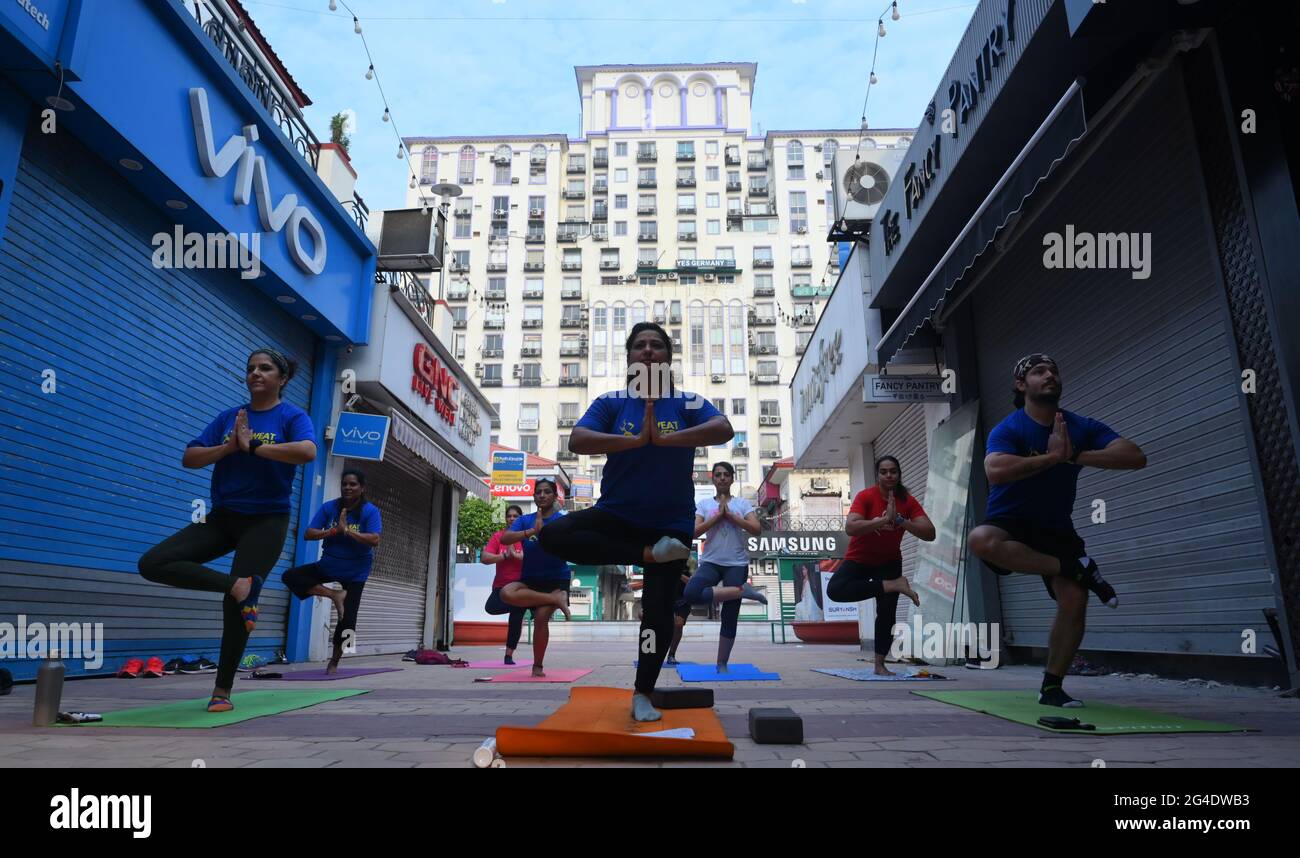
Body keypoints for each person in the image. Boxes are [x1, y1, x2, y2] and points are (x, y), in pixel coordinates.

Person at [537, 322, 734, 721]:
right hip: (618, 515)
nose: (648, 351)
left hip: (671, 523)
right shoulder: (612, 402)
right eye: (640, 345)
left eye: (656, 345)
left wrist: (663, 439)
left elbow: (723, 429)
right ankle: (646, 554)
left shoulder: (687, 402)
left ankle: (643, 692)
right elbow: (578, 439)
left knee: (657, 613)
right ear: (628, 358)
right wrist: (634, 440)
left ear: (668, 357)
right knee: (553, 534)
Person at [138, 349, 316, 712]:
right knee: (153, 562)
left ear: (281, 378)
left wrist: (254, 447)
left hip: (267, 520)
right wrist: (229, 447)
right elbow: (190, 458)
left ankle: (221, 690)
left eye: (265, 368)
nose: (255, 373)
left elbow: (307, 451)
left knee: (232, 609)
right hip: (222, 517)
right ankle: (238, 586)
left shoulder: (291, 416)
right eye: (250, 368)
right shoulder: (229, 417)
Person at [967, 354, 1147, 707]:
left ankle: (1052, 686)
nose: (1049, 376)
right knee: (980, 540)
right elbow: (995, 470)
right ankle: (1078, 568)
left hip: (1056, 527)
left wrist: (1073, 455)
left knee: (1074, 600)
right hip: (1011, 522)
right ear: (1022, 385)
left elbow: (1135, 456)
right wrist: (1049, 459)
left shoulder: (1079, 427)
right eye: (1038, 372)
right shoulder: (1010, 428)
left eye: (1053, 371)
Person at [828, 456, 935, 675]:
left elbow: (929, 532)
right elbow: (851, 527)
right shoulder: (866, 496)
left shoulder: (908, 501)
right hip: (860, 557)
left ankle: (879, 664)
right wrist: (882, 520)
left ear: (899, 474)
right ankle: (893, 585)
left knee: (886, 613)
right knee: (835, 589)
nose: (889, 475)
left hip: (889, 561)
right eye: (884, 471)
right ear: (878, 475)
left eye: (893, 471)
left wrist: (900, 521)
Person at [282, 470, 382, 674]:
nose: (348, 487)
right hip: (329, 565)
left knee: (349, 622)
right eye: (344, 484)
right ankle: (335, 595)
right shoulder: (330, 507)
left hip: (356, 571)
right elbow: (309, 533)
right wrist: (334, 531)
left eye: (353, 484)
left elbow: (374, 540)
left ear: (362, 488)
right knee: (290, 576)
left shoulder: (369, 511)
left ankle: (334, 662)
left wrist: (348, 531)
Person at [677, 461, 767, 672]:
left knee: (729, 614)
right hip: (711, 561)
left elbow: (756, 529)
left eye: (726, 474)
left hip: (736, 563)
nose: (723, 478)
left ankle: (722, 663)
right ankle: (741, 591)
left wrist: (732, 517)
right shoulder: (705, 504)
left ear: (732, 478)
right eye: (718, 475)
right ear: (713, 479)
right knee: (691, 592)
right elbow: (694, 532)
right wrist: (717, 517)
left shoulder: (743, 504)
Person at [496, 481, 571, 677]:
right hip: (530, 580)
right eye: (538, 492)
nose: (542, 495)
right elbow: (505, 539)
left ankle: (538, 665)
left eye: (547, 492)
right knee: (506, 593)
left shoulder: (561, 519)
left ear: (555, 496)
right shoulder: (525, 520)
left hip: (556, 580)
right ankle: (556, 599)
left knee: (540, 618)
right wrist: (532, 532)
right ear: (533, 496)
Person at [481, 505, 528, 665]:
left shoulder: (526, 537)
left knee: (515, 619)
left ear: (520, 518)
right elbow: (485, 558)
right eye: (509, 516)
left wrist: (517, 556)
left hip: (520, 586)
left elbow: (531, 558)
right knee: (490, 608)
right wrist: (504, 556)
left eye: (515, 516)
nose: (512, 519)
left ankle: (509, 655)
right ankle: (519, 605)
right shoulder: (498, 536)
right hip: (500, 585)